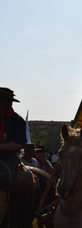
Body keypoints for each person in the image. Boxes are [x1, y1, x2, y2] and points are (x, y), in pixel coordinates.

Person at [0, 87, 27, 222]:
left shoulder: (17, 120)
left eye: (2, 99)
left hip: (8, 157)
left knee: (2, 175)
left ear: (9, 102)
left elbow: (20, 144)